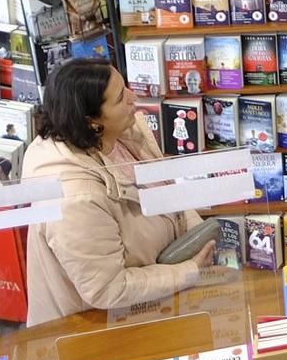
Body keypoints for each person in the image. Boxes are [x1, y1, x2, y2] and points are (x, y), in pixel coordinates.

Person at [22, 60, 215, 325]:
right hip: (96, 331)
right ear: (93, 122)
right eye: (121, 97)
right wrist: (189, 270)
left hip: (153, 306)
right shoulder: (75, 199)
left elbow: (165, 190)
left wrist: (197, 236)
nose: (133, 97)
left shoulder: (125, 134)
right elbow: (108, 289)